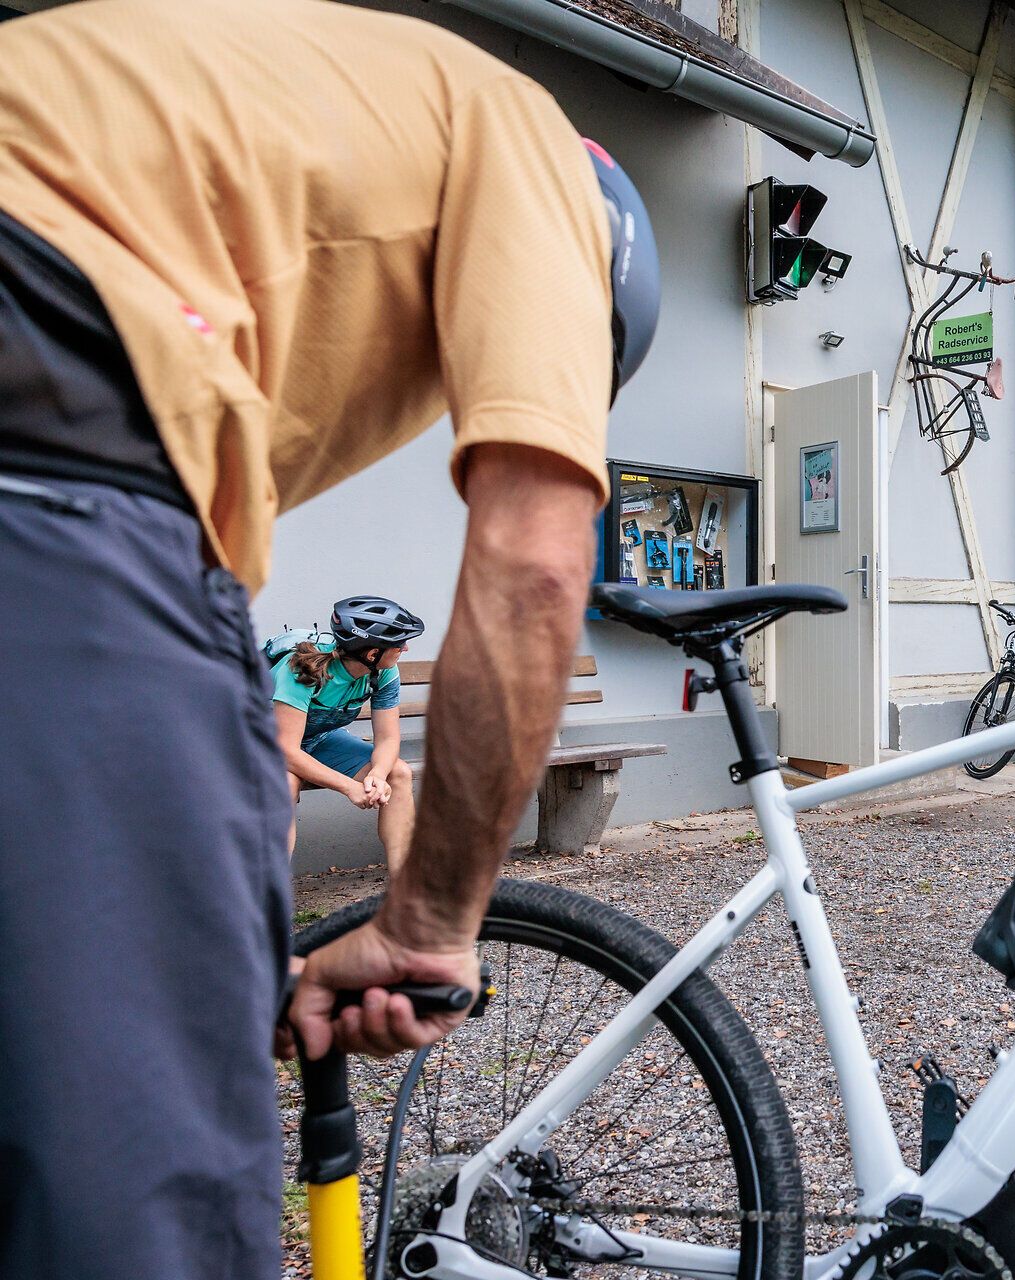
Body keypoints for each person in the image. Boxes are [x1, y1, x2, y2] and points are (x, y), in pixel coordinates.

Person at [0, 1, 659, 1275]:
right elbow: (533, 564)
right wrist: (425, 924)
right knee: (137, 1169)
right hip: (52, 375)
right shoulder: (527, 140)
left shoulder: (270, 168)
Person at [271, 597, 428, 868]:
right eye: (399, 644)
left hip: (316, 740)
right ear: (371, 653)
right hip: (260, 746)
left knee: (397, 772)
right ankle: (268, 902)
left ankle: (406, 889)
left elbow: (389, 738)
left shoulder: (382, 673)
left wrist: (377, 775)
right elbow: (286, 751)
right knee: (285, 785)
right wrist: (350, 788)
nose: (405, 647)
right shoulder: (302, 670)